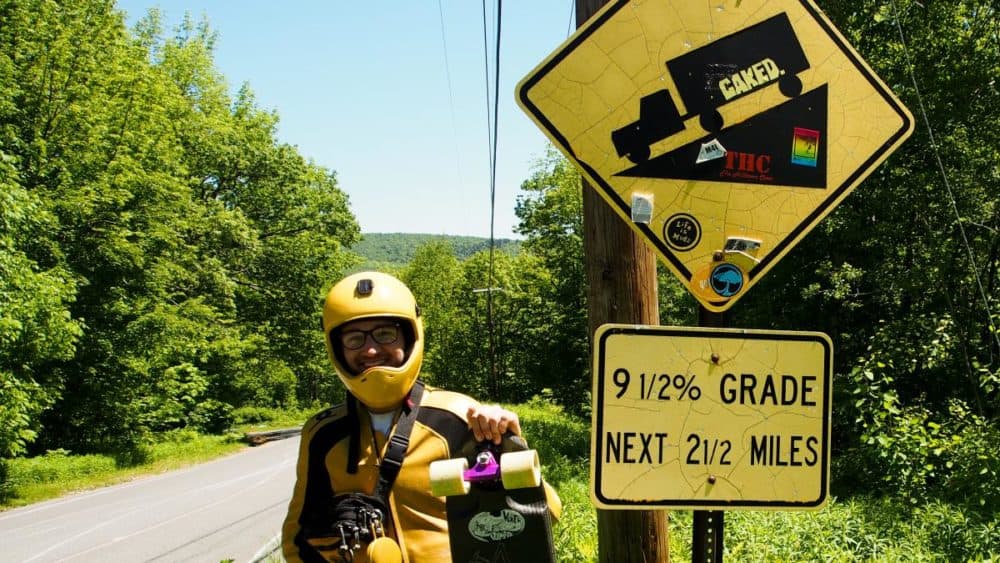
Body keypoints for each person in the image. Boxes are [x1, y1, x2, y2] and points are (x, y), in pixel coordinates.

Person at [282, 271, 561, 562]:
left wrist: (510, 446)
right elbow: (296, 541)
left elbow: (547, 513)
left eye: (385, 334)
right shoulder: (322, 434)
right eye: (354, 339)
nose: (371, 349)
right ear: (336, 348)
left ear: (411, 335)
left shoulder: (458, 417)